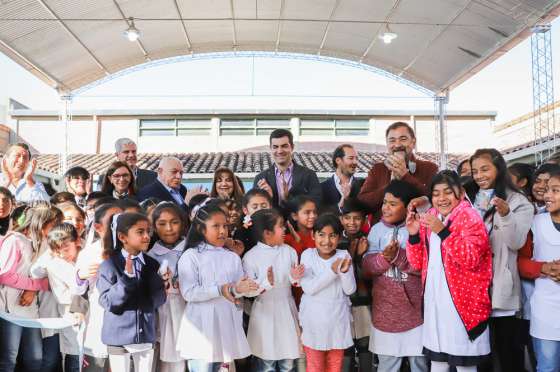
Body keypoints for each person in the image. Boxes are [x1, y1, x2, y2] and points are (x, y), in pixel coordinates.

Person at [406, 170, 492, 372]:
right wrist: (413, 236)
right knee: (438, 362)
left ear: (460, 193)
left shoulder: (470, 216)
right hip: (436, 302)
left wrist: (443, 231)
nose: (441, 198)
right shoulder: (431, 217)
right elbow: (417, 264)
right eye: (436, 193)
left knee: (465, 365)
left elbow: (471, 259)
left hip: (463, 305)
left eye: (447, 192)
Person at [468, 149, 534, 372]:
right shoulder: (467, 199)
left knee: (507, 352)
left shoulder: (519, 201)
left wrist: (505, 215)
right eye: (475, 171)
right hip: (472, 288)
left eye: (485, 169)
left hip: (501, 286)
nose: (479, 176)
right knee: (479, 355)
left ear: (499, 168)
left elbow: (515, 242)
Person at [176, 204, 258, 372]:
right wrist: (220, 290)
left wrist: (247, 287)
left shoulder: (231, 257)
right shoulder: (191, 256)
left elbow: (235, 289)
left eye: (225, 226)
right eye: (216, 226)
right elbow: (189, 292)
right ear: (200, 228)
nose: (222, 231)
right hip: (200, 327)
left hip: (225, 324)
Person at [363, 180, 426, 372]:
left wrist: (398, 257)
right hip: (385, 313)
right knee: (387, 366)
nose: (386, 208)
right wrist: (384, 258)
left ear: (407, 207)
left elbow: (422, 266)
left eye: (393, 204)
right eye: (384, 202)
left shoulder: (418, 227)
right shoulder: (376, 230)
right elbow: (367, 266)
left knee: (420, 365)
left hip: (416, 315)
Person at [97, 212, 166, 372]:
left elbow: (158, 300)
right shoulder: (109, 265)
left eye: (148, 231)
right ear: (122, 237)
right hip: (118, 337)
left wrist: (162, 283)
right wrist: (127, 279)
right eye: (140, 232)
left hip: (145, 335)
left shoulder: (152, 264)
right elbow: (108, 302)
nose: (147, 236)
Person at [242, 209, 303, 372]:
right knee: (266, 361)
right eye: (281, 226)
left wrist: (295, 277)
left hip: (286, 308)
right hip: (265, 311)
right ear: (267, 233)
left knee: (288, 362)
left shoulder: (289, 251)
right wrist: (265, 283)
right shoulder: (250, 257)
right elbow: (247, 291)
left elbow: (295, 281)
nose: (284, 230)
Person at [0, 203, 58, 372]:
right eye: (52, 224)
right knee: (8, 358)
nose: (55, 229)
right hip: (8, 310)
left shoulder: (45, 244)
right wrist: (36, 286)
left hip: (30, 310)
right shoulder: (15, 240)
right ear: (41, 223)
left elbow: (49, 275)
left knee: (35, 357)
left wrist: (33, 290)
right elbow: (5, 275)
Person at [299, 214, 356, 372]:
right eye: (321, 235)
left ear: (338, 237)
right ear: (313, 235)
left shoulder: (343, 255)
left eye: (332, 235)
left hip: (337, 320)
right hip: (314, 321)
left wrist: (344, 272)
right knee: (315, 366)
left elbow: (350, 289)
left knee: (335, 366)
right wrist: (332, 272)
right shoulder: (308, 255)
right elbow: (309, 288)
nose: (326, 241)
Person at [518, 168, 560, 372]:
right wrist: (543, 267)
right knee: (548, 366)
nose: (548, 195)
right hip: (546, 310)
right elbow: (519, 261)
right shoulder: (535, 223)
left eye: (556, 190)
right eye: (548, 190)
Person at [75, 202, 123, 372]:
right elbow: (79, 291)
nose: (118, 223)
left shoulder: (134, 249)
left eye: (122, 218)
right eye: (112, 220)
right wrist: (81, 277)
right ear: (97, 227)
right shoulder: (89, 252)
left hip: (127, 324)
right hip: (98, 318)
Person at [358, 122, 438, 220]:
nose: (397, 144)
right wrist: (391, 185)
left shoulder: (429, 168)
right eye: (392, 140)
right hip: (383, 230)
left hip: (418, 229)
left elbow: (435, 199)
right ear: (387, 144)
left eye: (403, 139)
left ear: (413, 142)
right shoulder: (378, 169)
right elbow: (363, 203)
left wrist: (406, 176)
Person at [31, 223, 83, 372]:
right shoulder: (56, 264)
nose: (62, 254)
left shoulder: (85, 254)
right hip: (70, 314)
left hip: (85, 316)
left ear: (77, 241)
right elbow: (35, 272)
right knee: (72, 355)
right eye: (57, 251)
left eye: (66, 249)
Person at [147, 202, 188, 372]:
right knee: (168, 361)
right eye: (162, 224)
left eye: (174, 222)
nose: (169, 228)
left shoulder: (192, 251)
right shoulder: (150, 256)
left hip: (190, 311)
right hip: (164, 313)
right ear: (154, 227)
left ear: (183, 223)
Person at [336, 199, 373, 372]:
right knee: (346, 345)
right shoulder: (336, 242)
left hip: (363, 301)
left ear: (364, 220)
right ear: (341, 219)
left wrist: (359, 257)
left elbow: (369, 274)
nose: (352, 222)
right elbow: (340, 273)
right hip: (341, 303)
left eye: (357, 218)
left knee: (365, 342)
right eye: (348, 218)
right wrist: (355, 256)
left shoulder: (368, 241)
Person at [253, 129, 321, 210]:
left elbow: (317, 205)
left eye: (284, 146)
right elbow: (256, 211)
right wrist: (268, 198)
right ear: (270, 148)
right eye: (275, 147)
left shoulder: (308, 175)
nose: (280, 151)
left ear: (292, 147)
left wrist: (287, 198)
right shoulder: (260, 178)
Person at [321, 144, 364, 212]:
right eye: (351, 158)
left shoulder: (363, 187)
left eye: (356, 158)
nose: (355, 162)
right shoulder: (322, 188)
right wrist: (343, 200)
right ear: (338, 160)